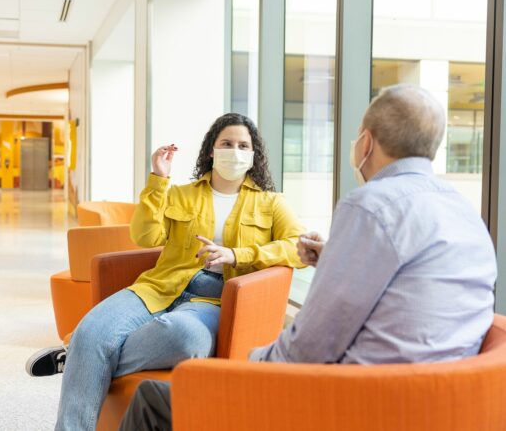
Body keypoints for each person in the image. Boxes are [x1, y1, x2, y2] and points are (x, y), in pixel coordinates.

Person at [119, 84, 498, 431]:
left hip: (353, 402)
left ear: (365, 143)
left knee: (153, 400)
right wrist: (334, 258)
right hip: (441, 404)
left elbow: (311, 346)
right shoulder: (465, 213)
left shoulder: (370, 206)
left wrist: (248, 367)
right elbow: (410, 286)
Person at [25, 113, 306, 430]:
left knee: (184, 338)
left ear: (254, 155)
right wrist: (158, 180)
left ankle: (79, 357)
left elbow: (297, 246)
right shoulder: (180, 194)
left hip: (212, 302)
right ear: (211, 150)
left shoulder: (272, 203)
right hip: (158, 287)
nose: (236, 151)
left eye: (244, 145)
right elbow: (145, 237)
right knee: (90, 330)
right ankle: (84, 351)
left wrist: (236, 255)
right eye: (227, 143)